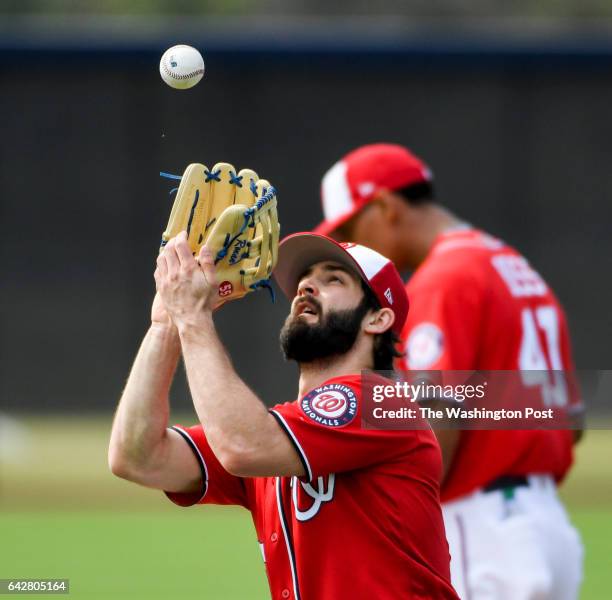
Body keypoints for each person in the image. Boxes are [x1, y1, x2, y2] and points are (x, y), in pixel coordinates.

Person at [108, 229, 459, 600]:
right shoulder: (284, 435)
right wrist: (165, 325)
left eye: (333, 279)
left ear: (377, 319)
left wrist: (194, 318)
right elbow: (138, 457)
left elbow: (244, 445)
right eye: (304, 280)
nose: (307, 286)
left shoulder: (383, 404)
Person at [314, 143, 583, 600]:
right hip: (544, 527)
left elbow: (438, 410)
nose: (349, 250)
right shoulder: (510, 264)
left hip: (484, 532)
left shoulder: (446, 276)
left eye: (350, 230)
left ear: (385, 207)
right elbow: (570, 421)